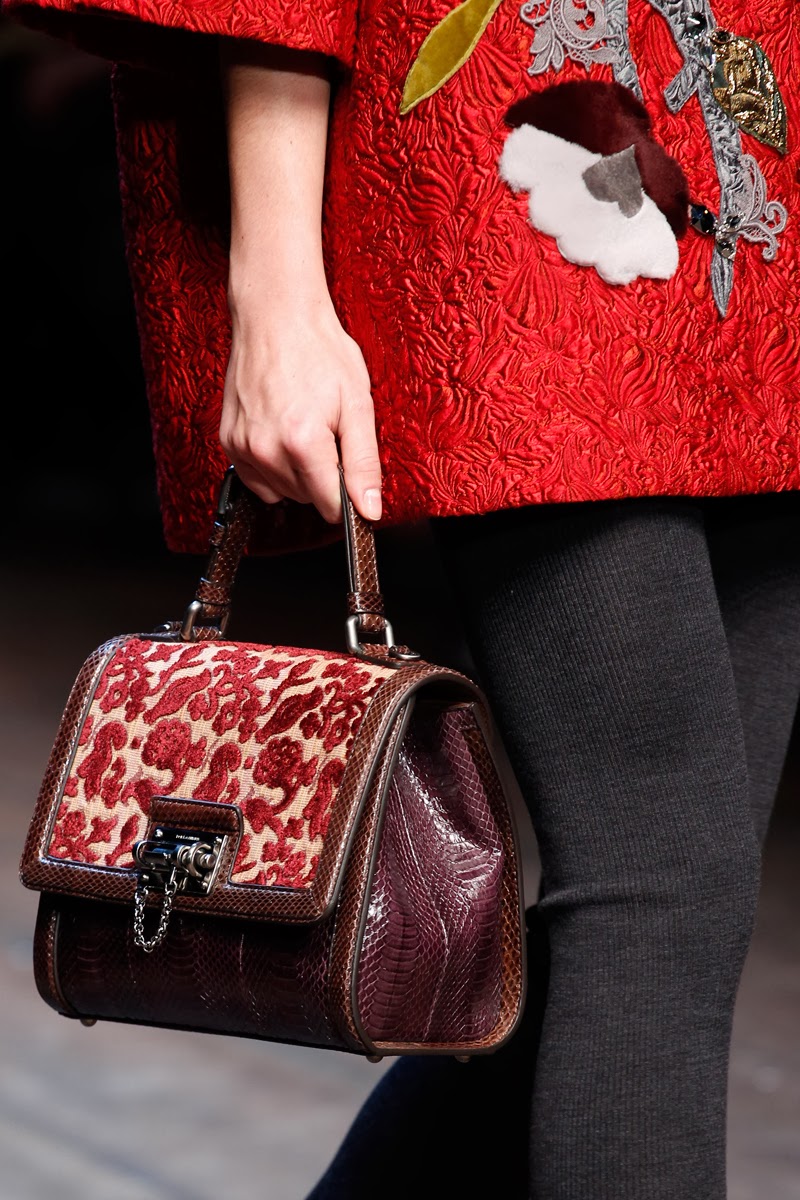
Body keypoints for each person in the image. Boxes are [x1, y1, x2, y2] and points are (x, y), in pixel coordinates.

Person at [4, 0, 799, 1193]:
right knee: (660, 886)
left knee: (665, 902)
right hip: (520, 198)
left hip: (754, 201)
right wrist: (275, 287)